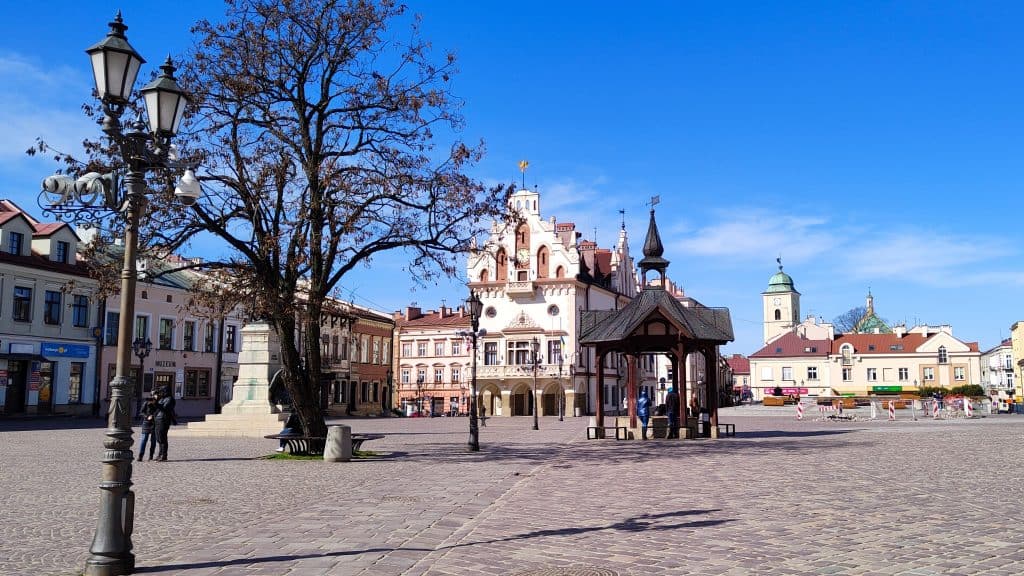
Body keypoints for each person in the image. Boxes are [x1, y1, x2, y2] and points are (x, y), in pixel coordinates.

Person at [153, 387, 178, 461]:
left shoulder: (170, 399)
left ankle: (164, 455)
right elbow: (156, 408)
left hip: (164, 420)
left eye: (162, 392)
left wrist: (156, 402)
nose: (160, 393)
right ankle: (160, 454)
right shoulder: (162, 399)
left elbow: (164, 408)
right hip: (158, 419)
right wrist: (154, 401)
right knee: (158, 438)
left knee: (162, 438)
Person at [137, 396, 157, 461]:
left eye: (152, 399)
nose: (150, 401)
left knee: (153, 441)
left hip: (155, 423)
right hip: (146, 423)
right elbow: (141, 412)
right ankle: (140, 455)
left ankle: (151, 456)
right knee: (144, 439)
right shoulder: (146, 403)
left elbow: (160, 413)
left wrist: (153, 416)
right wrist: (147, 416)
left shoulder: (158, 404)